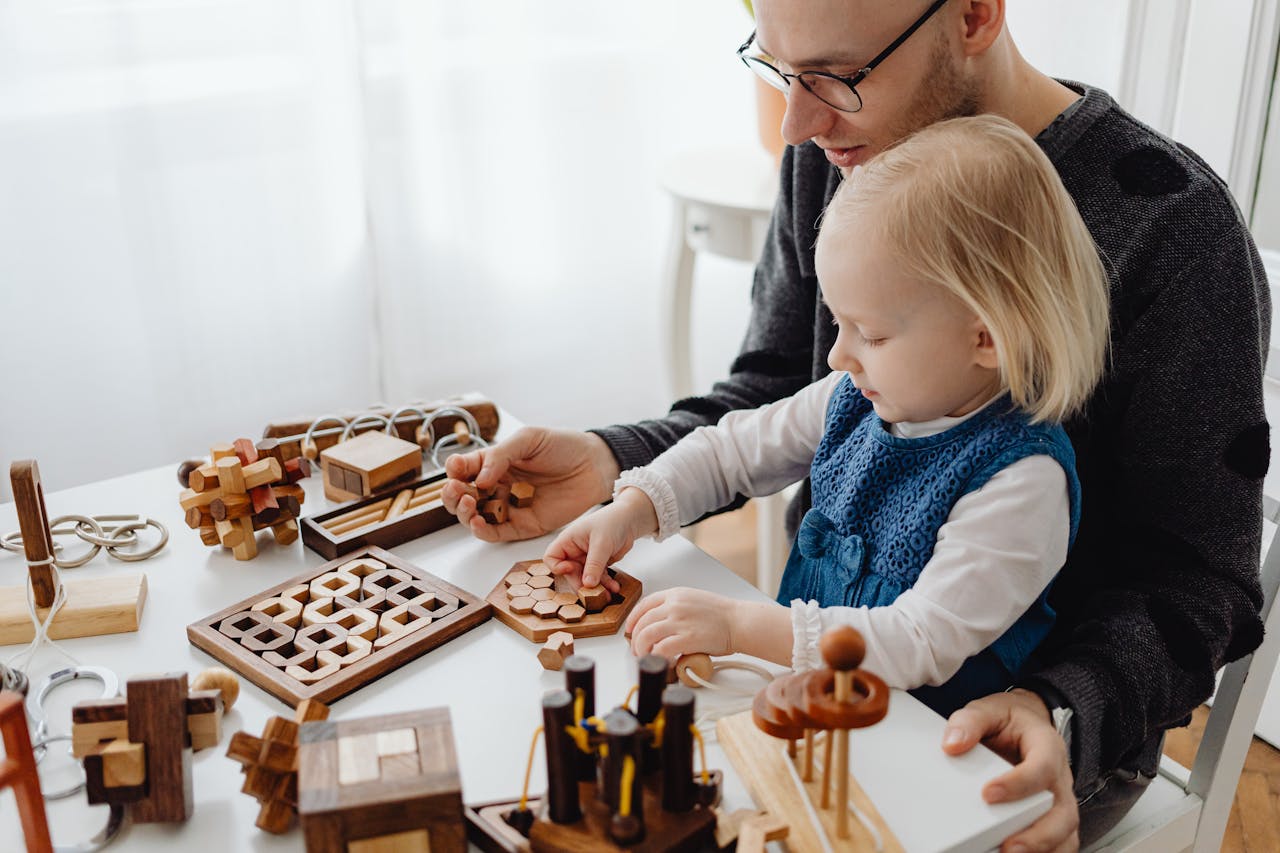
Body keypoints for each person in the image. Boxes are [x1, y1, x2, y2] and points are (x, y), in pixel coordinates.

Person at [443, 1, 1270, 848]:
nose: (798, 124)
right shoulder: (839, 146)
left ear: (976, 13)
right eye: (779, 70)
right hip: (819, 661)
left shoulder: (1173, 230)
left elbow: (1199, 586)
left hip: (1013, 729)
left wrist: (1060, 709)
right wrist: (616, 467)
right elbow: (772, 397)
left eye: (836, 74)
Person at [546, 114, 1111, 719]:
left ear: (988, 339)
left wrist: (738, 623)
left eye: (869, 333)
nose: (839, 354)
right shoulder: (854, 394)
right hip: (811, 709)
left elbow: (919, 642)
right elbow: (731, 451)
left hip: (921, 749)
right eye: (839, 323)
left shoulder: (1021, 480)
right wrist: (634, 509)